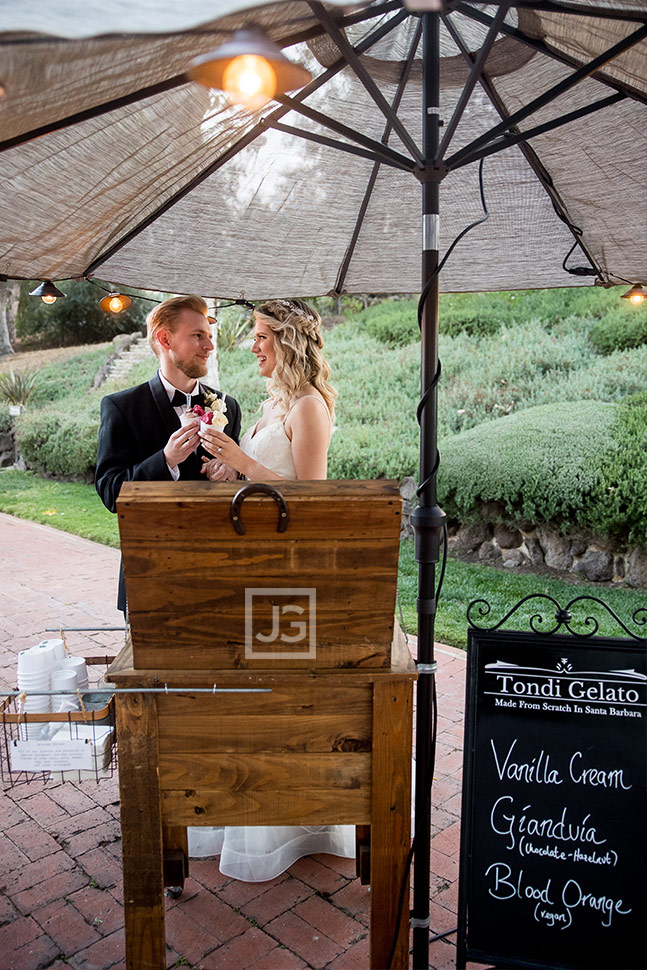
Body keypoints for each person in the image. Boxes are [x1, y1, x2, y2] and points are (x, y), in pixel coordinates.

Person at [190, 298, 355, 881]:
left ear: (288, 341)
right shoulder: (271, 403)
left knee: (281, 703)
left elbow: (311, 498)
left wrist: (243, 459)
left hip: (291, 575)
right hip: (253, 568)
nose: (251, 345)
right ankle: (244, 803)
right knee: (246, 701)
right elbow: (264, 480)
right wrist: (230, 469)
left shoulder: (309, 407)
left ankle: (293, 818)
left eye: (260, 335)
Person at [95, 295, 241, 612]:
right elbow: (110, 491)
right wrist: (166, 461)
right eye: (198, 336)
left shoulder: (228, 406)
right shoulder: (122, 407)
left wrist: (231, 473)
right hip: (151, 576)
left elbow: (239, 484)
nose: (209, 346)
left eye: (209, 337)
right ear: (165, 339)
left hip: (220, 573)